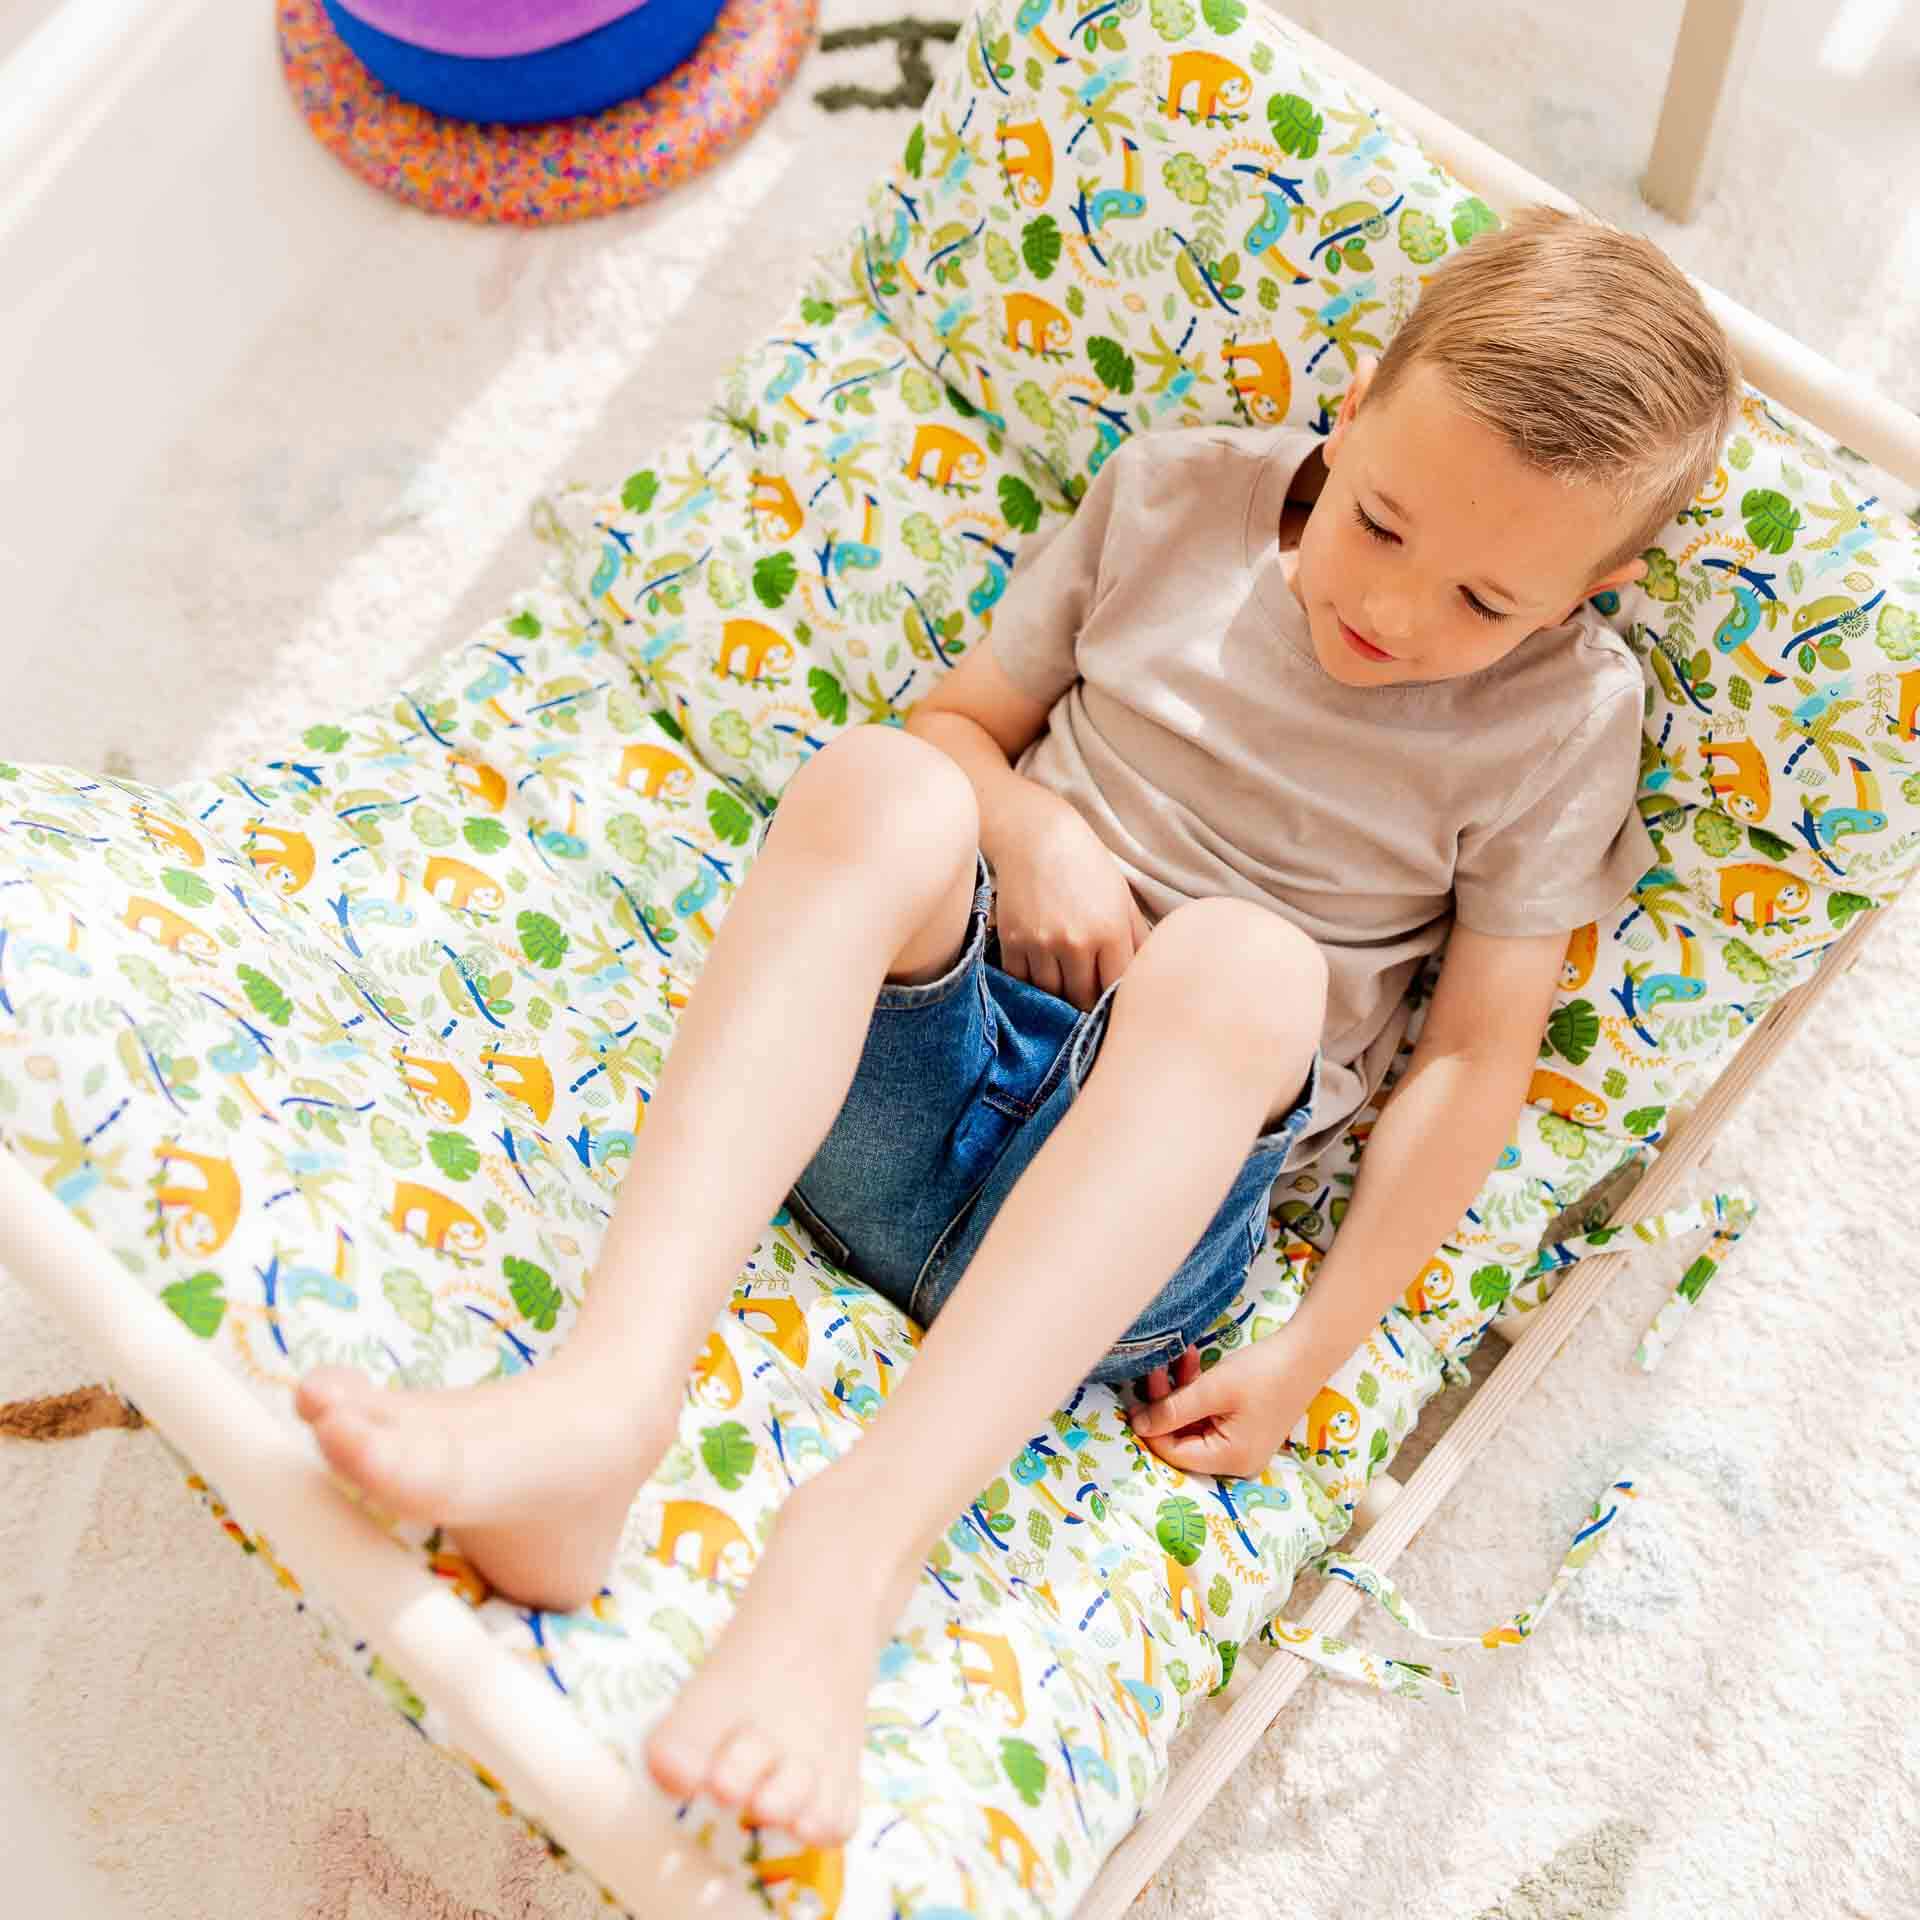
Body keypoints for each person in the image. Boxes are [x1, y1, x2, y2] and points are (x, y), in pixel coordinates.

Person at [293, 204, 1742, 1850]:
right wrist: (1033, 829)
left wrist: (1313, 1353)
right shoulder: (1179, 496)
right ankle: (601, 1404)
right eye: (1383, 523)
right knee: (882, 780)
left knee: (1248, 966)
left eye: (1487, 599)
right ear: (1348, 415)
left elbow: (1482, 1055)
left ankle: (847, 1560)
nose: (1400, 612)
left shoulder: (1569, 723)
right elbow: (957, 727)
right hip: (904, 1083)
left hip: (1129, 1234)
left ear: (1594, 594)